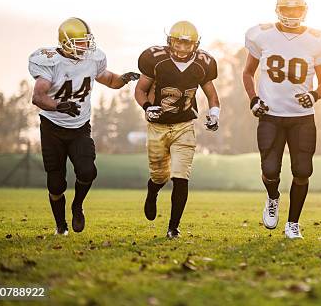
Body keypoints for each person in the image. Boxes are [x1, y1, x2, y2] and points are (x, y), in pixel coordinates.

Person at [29, 17, 140, 235]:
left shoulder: (92, 59)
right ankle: (61, 226)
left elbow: (108, 79)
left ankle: (77, 205)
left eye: (87, 41)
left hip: (79, 126)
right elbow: (38, 97)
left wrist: (123, 79)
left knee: (88, 171)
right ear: (65, 42)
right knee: (56, 184)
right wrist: (59, 106)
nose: (85, 46)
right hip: (52, 127)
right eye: (80, 42)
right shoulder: (50, 61)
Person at [242, 0, 321, 239]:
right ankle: (273, 197)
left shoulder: (317, 40)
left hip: (302, 117)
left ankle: (293, 223)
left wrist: (314, 95)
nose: (292, 14)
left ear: (304, 10)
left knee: (303, 171)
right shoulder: (263, 35)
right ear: (278, 9)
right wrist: (253, 99)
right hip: (270, 114)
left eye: (296, 9)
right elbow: (247, 73)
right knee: (270, 170)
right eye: (287, 9)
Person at [135, 21, 220, 239]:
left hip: (184, 125)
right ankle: (152, 191)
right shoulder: (155, 59)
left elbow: (212, 95)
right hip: (158, 127)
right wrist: (147, 107)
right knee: (159, 176)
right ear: (169, 41)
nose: (182, 49)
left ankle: (173, 228)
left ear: (196, 44)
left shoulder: (203, 63)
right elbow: (140, 90)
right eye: (177, 43)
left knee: (181, 176)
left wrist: (214, 114)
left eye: (187, 44)